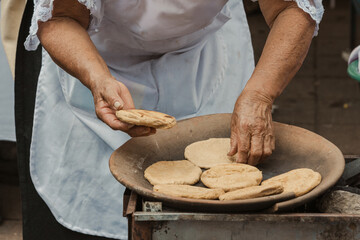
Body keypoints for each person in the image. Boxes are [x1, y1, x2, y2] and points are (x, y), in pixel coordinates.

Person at [21, 0, 324, 239]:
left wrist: (259, 95)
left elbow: (292, 7)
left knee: (210, 223)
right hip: (95, 56)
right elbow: (60, 17)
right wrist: (97, 78)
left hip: (202, 60)